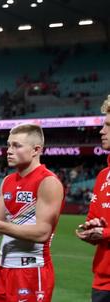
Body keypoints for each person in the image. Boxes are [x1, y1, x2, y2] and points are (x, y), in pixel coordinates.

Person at [0, 124, 64, 302]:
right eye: (9, 145)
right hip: (3, 268)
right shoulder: (7, 181)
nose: (9, 150)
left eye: (17, 146)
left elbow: (42, 233)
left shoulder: (48, 182)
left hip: (31, 272)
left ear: (36, 150)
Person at [76, 95, 110, 301]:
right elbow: (93, 219)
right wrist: (91, 229)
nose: (101, 131)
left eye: (108, 125)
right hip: (102, 281)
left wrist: (104, 233)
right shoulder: (103, 176)